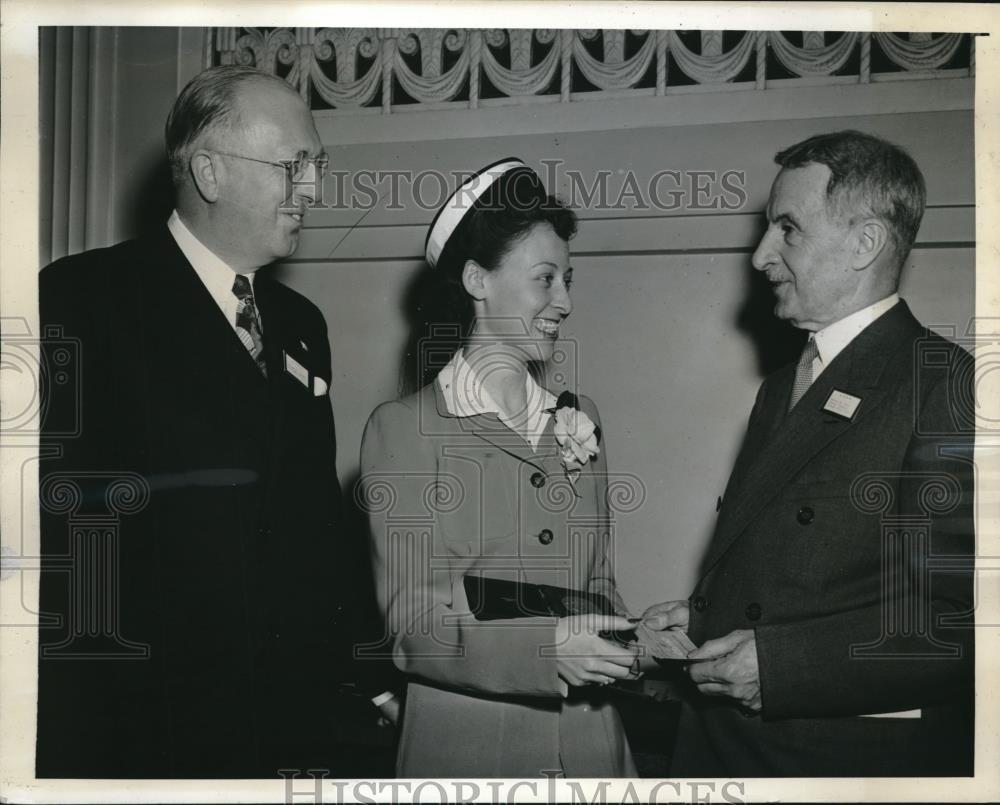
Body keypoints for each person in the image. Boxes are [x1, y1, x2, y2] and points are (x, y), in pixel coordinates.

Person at [37, 65, 396, 778]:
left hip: (285, 722)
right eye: (292, 166)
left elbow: (317, 515)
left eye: (317, 166)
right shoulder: (83, 299)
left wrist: (372, 671)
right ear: (208, 171)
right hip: (142, 724)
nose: (314, 189)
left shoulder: (300, 325)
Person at [642, 130, 975, 776]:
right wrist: (703, 614)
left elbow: (961, 623)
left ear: (865, 244)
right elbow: (803, 567)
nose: (761, 255)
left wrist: (782, 664)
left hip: (829, 766)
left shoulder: (942, 383)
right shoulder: (782, 387)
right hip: (725, 751)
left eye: (787, 230)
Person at [359, 159, 639, 777]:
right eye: (545, 279)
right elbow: (414, 630)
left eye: (568, 279)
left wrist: (641, 638)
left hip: (593, 751)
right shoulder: (403, 429)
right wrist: (545, 652)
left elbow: (597, 586)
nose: (564, 301)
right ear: (477, 280)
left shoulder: (580, 418)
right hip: (468, 753)